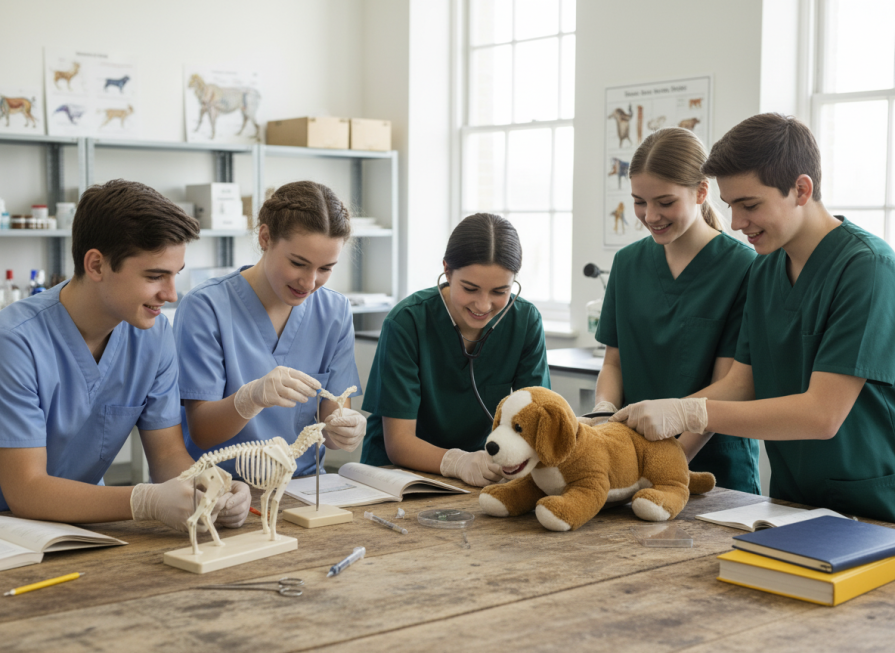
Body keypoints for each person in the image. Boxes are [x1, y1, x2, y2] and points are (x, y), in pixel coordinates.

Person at [611, 113, 895, 523]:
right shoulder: (764, 270)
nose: (738, 223)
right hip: (791, 499)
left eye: (750, 205)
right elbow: (742, 383)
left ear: (801, 189)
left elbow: (822, 415)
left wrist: (690, 412)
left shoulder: (868, 268)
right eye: (731, 206)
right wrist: (646, 430)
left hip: (871, 506)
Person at [0, 179, 250, 532]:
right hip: (10, 531)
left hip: (86, 523)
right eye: (155, 276)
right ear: (97, 265)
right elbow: (25, 491)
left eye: (174, 275)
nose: (171, 294)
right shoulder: (14, 341)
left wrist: (210, 485)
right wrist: (144, 500)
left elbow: (166, 456)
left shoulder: (153, 334)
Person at [584, 127, 759, 493]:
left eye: (665, 202)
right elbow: (613, 363)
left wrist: (668, 464)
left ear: (700, 191)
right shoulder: (628, 263)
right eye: (639, 202)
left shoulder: (743, 268)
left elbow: (728, 387)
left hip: (714, 472)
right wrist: (603, 415)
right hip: (629, 464)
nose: (650, 216)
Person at [174, 181, 364, 480]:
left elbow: (330, 421)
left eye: (325, 268)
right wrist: (250, 398)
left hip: (302, 485)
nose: (309, 282)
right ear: (265, 237)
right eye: (298, 263)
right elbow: (202, 433)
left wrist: (344, 429)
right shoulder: (206, 306)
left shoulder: (334, 312)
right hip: (219, 487)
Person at [361, 213, 550, 486]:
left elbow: (536, 419)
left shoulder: (524, 321)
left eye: (499, 291)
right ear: (447, 271)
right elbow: (399, 443)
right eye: (470, 288)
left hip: (483, 475)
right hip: (397, 478)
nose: (483, 305)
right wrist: (457, 462)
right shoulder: (407, 322)